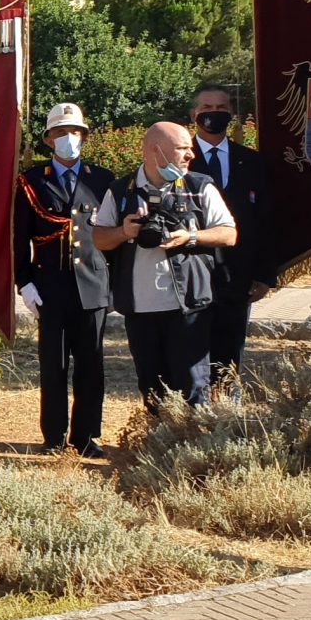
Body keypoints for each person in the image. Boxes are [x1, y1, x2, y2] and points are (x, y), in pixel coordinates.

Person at [92, 122, 237, 409]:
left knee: (194, 389)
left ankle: (192, 451)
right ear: (155, 150)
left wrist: (191, 237)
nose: (190, 155)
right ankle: (157, 448)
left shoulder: (199, 186)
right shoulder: (121, 190)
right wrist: (124, 232)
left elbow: (229, 234)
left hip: (188, 307)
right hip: (140, 309)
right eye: (183, 148)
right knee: (151, 389)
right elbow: (99, 237)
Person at [15, 103, 117, 457]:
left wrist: (113, 284)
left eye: (75, 132)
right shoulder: (31, 181)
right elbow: (19, 237)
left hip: (93, 284)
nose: (69, 139)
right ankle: (54, 437)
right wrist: (24, 282)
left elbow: (114, 237)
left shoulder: (103, 180)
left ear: (84, 138)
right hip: (50, 287)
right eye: (61, 133)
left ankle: (87, 436)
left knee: (91, 363)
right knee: (54, 364)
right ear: (48, 139)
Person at [190, 87, 273, 386]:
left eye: (222, 107)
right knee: (190, 353)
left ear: (232, 114)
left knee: (230, 355)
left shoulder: (253, 162)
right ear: (194, 115)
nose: (215, 112)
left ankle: (226, 413)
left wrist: (265, 275)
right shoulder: (180, 160)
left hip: (237, 276)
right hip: (191, 273)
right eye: (207, 106)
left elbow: (265, 221)